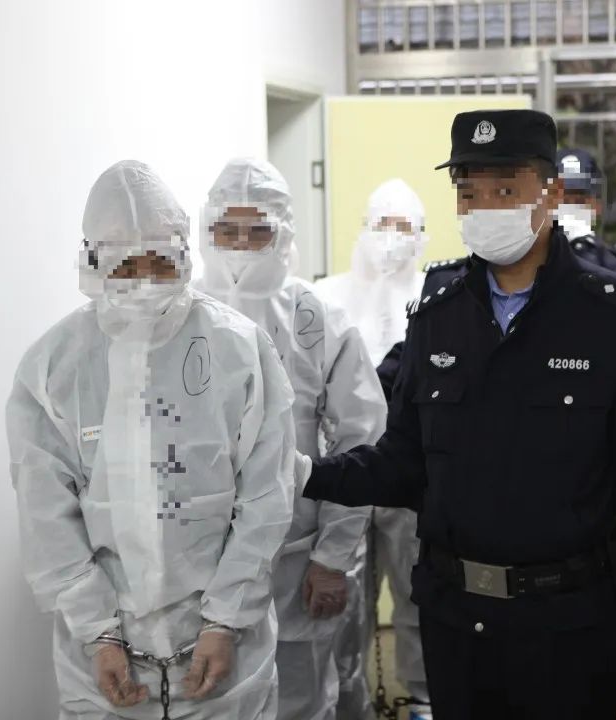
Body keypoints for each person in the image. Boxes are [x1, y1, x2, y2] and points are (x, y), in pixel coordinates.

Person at [297, 109, 616, 719]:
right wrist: (305, 472)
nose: (484, 207)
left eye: (505, 191)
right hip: (458, 623)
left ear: (552, 194)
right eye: (468, 192)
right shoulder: (438, 313)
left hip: (571, 624)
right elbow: (402, 464)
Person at [7, 160, 297, 720]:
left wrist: (225, 620)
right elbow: (45, 514)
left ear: (184, 255)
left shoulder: (239, 349)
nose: (144, 281)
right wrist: (97, 632)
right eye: (126, 265)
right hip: (102, 663)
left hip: (226, 653)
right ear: (94, 262)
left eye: (158, 262)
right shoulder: (54, 366)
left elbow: (267, 496)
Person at [193, 157, 386, 720]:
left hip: (295, 559)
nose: (240, 245)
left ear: (282, 234)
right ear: (206, 230)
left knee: (304, 695)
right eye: (227, 229)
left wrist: (332, 556)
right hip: (199, 564)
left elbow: (361, 441)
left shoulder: (318, 317)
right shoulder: (179, 313)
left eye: (257, 230)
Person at [313, 178, 430, 707]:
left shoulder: (436, 297)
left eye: (403, 227)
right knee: (340, 604)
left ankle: (425, 700)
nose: (391, 237)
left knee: (418, 597)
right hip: (346, 475)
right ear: (363, 228)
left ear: (422, 235)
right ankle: (345, 705)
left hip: (411, 478)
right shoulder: (326, 296)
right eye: (382, 224)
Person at [556, 148, 616, 276]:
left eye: (580, 201)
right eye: (564, 200)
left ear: (596, 205)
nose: (570, 207)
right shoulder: (530, 262)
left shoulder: (613, 268)